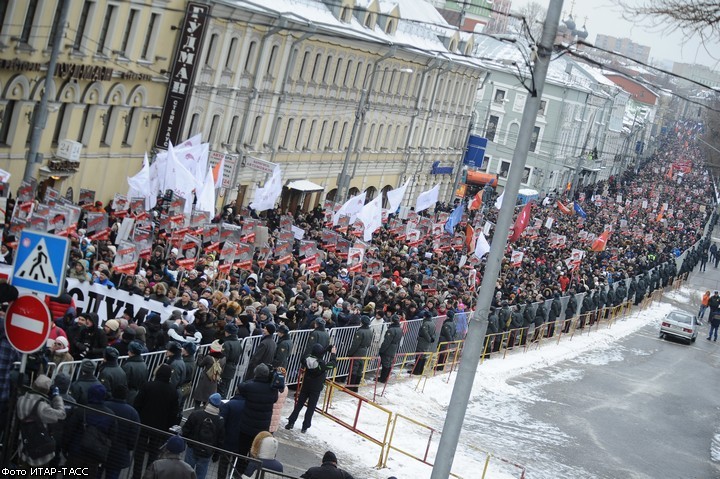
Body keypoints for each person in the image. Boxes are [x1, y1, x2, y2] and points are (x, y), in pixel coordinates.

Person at [132, 364, 180, 479]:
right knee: (153, 454)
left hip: (143, 424)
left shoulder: (148, 386)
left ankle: (136, 475)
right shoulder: (173, 391)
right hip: (160, 429)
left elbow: (137, 404)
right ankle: (149, 476)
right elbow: (174, 413)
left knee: (139, 452)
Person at [63, 384, 117, 478]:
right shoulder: (111, 415)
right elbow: (112, 437)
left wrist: (65, 447)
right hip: (94, 455)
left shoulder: (81, 410)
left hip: (77, 451)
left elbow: (69, 430)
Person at [16, 375, 66, 466]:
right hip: (41, 451)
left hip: (24, 445)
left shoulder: (21, 399)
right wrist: (57, 397)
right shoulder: (43, 407)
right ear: (47, 390)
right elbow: (61, 415)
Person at [286, 344, 336, 433]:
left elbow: (313, 355)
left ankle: (291, 422)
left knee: (299, 405)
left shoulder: (306, 359)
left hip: (306, 385)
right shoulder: (321, 364)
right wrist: (333, 354)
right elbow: (333, 364)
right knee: (311, 408)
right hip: (316, 388)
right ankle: (305, 427)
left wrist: (325, 350)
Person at [235, 364, 279, 465]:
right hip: (262, 429)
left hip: (246, 426)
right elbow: (275, 399)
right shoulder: (272, 389)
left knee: (242, 451)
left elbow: (241, 386)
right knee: (256, 453)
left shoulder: (250, 386)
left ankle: (238, 471)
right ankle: (250, 471)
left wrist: (253, 380)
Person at [181, 393, 225, 479]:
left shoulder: (196, 414)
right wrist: (216, 455)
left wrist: (187, 442)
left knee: (187, 473)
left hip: (192, 448)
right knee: (201, 475)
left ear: (208, 402)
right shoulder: (220, 421)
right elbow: (220, 440)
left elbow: (186, 430)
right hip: (207, 452)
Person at [104, 384, 141, 479]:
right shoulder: (132, 413)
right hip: (120, 452)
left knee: (95, 472)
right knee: (113, 475)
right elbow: (134, 435)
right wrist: (128, 447)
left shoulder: (104, 405)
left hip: (101, 448)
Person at [193, 339, 225, 408]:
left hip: (204, 380)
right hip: (214, 381)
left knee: (198, 400)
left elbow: (200, 364)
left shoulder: (208, 357)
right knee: (208, 401)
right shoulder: (223, 359)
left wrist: (200, 355)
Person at [346, 316, 373, 392]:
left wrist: (350, 353)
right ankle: (355, 387)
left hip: (358, 351)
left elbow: (355, 344)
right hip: (364, 351)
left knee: (354, 368)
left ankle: (350, 386)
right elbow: (369, 343)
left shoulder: (360, 332)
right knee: (360, 369)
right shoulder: (370, 331)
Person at [378, 315, 402, 383]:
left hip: (388, 349)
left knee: (385, 364)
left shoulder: (391, 330)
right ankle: (385, 378)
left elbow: (386, 342)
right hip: (394, 348)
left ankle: (383, 378)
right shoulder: (400, 329)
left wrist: (381, 350)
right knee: (389, 364)